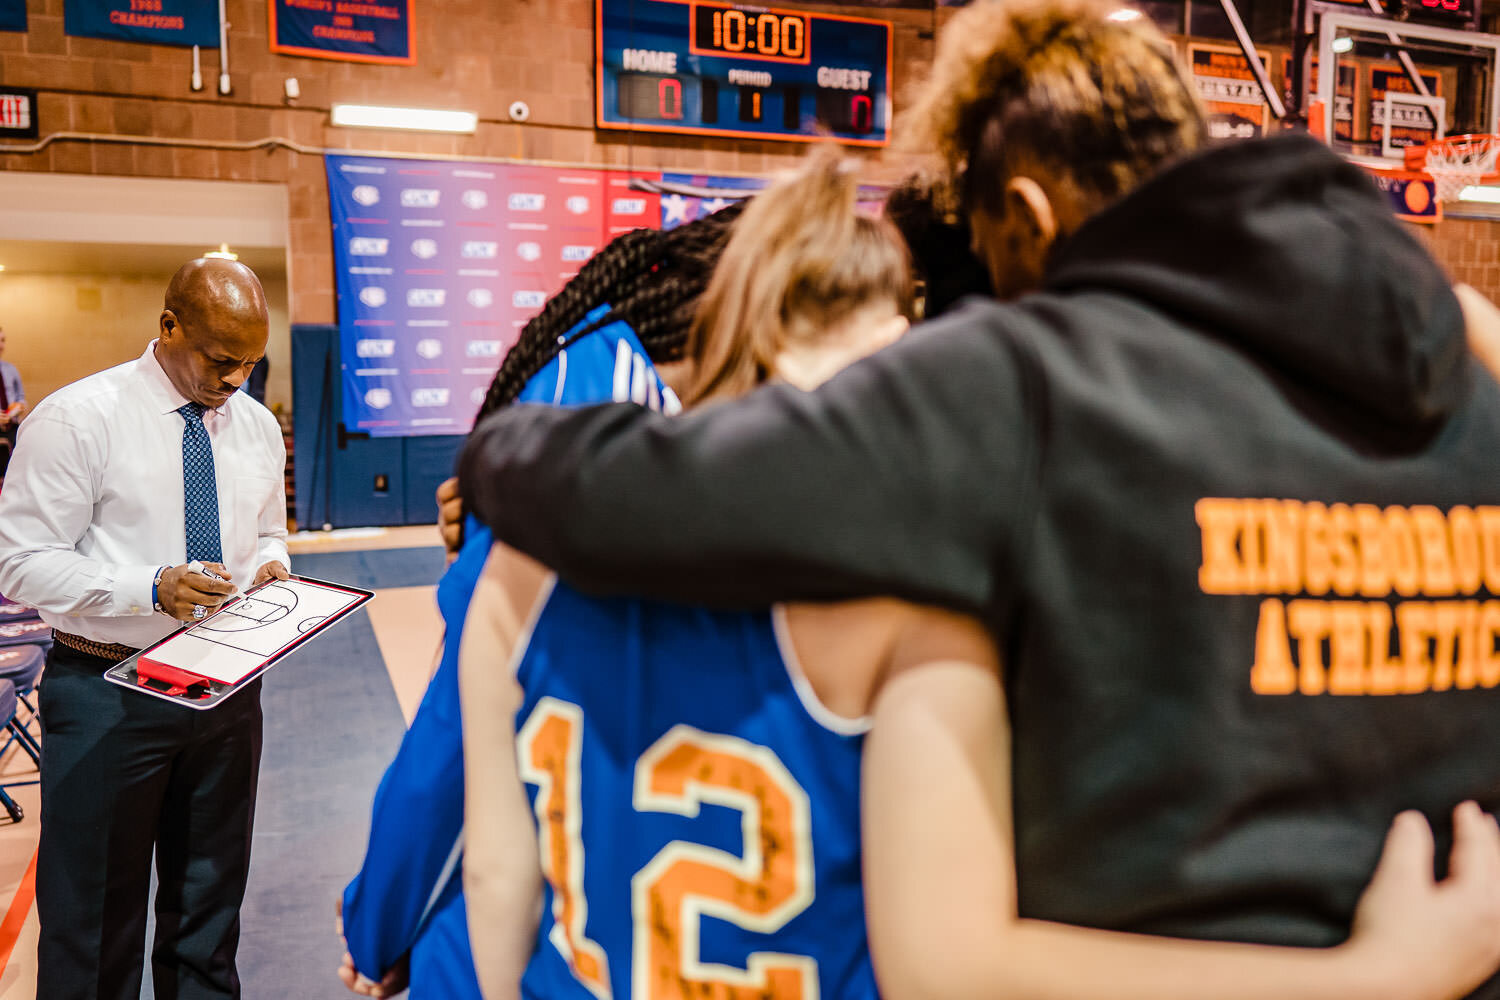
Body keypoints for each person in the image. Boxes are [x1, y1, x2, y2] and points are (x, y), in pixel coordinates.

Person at [455, 0, 1500, 990]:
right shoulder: (1465, 361)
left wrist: (501, 447)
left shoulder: (1031, 382)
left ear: (1029, 215)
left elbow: (658, 493)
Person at [337, 204, 744, 999]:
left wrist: (375, 921)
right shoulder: (609, 429)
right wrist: (378, 921)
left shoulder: (592, 363)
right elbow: (452, 738)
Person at [0, 258, 290, 1000]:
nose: (235, 381)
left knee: (207, 915)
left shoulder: (254, 425)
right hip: (106, 691)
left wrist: (273, 567)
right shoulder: (76, 419)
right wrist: (149, 587)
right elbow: (20, 565)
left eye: (251, 365)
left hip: (225, 691)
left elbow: (268, 531)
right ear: (169, 328)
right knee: (94, 924)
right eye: (222, 361)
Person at [0, 326, 28, 486]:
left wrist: (18, 407)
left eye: (3, 340)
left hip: (11, 426)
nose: (1, 345)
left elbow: (21, 398)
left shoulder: (11, 369)